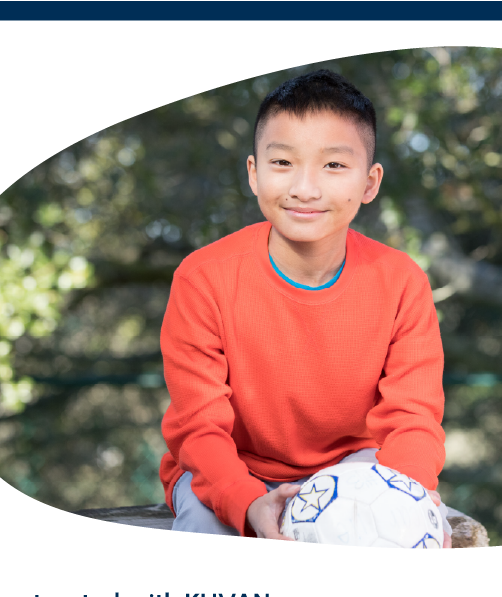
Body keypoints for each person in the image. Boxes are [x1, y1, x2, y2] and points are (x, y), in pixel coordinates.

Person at [157, 69, 451, 548]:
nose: (305, 188)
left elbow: (412, 421)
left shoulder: (401, 282)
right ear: (254, 173)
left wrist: (409, 494)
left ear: (370, 182)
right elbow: (199, 428)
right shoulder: (203, 278)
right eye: (283, 163)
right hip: (231, 471)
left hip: (353, 474)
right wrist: (247, 500)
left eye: (334, 166)